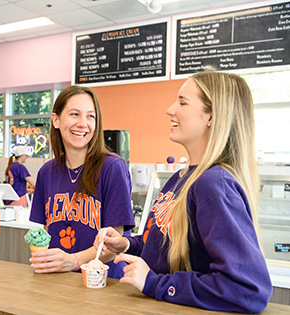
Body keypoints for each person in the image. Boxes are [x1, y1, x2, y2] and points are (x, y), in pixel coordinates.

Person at [94, 71, 272, 313]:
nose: (170, 109)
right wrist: (125, 245)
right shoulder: (181, 178)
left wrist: (154, 283)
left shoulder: (214, 183)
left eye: (182, 102)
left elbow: (247, 288)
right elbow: (161, 249)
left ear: (212, 116)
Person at [28, 85, 135, 279]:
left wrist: (74, 260)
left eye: (90, 116)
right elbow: (46, 231)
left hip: (103, 283)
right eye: (75, 114)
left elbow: (115, 243)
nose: (83, 124)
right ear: (56, 120)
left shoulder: (113, 167)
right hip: (58, 280)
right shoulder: (46, 172)